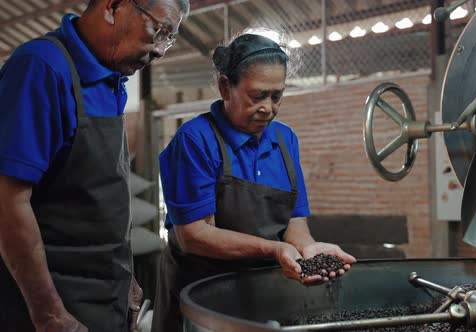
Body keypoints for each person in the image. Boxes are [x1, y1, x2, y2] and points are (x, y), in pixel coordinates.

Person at [0, 0, 189, 331]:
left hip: (104, 300)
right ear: (113, 7)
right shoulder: (41, 67)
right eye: (158, 31)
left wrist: (123, 277)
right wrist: (49, 313)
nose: (160, 51)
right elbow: (6, 201)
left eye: (168, 39)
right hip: (56, 310)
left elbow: (98, 198)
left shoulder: (112, 78)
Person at [152, 31, 357, 332]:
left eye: (277, 96)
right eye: (257, 95)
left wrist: (308, 249)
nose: (269, 107)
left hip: (258, 293)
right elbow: (193, 235)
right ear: (226, 87)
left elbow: (294, 223)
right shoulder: (196, 140)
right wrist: (273, 250)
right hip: (198, 295)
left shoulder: (285, 140)